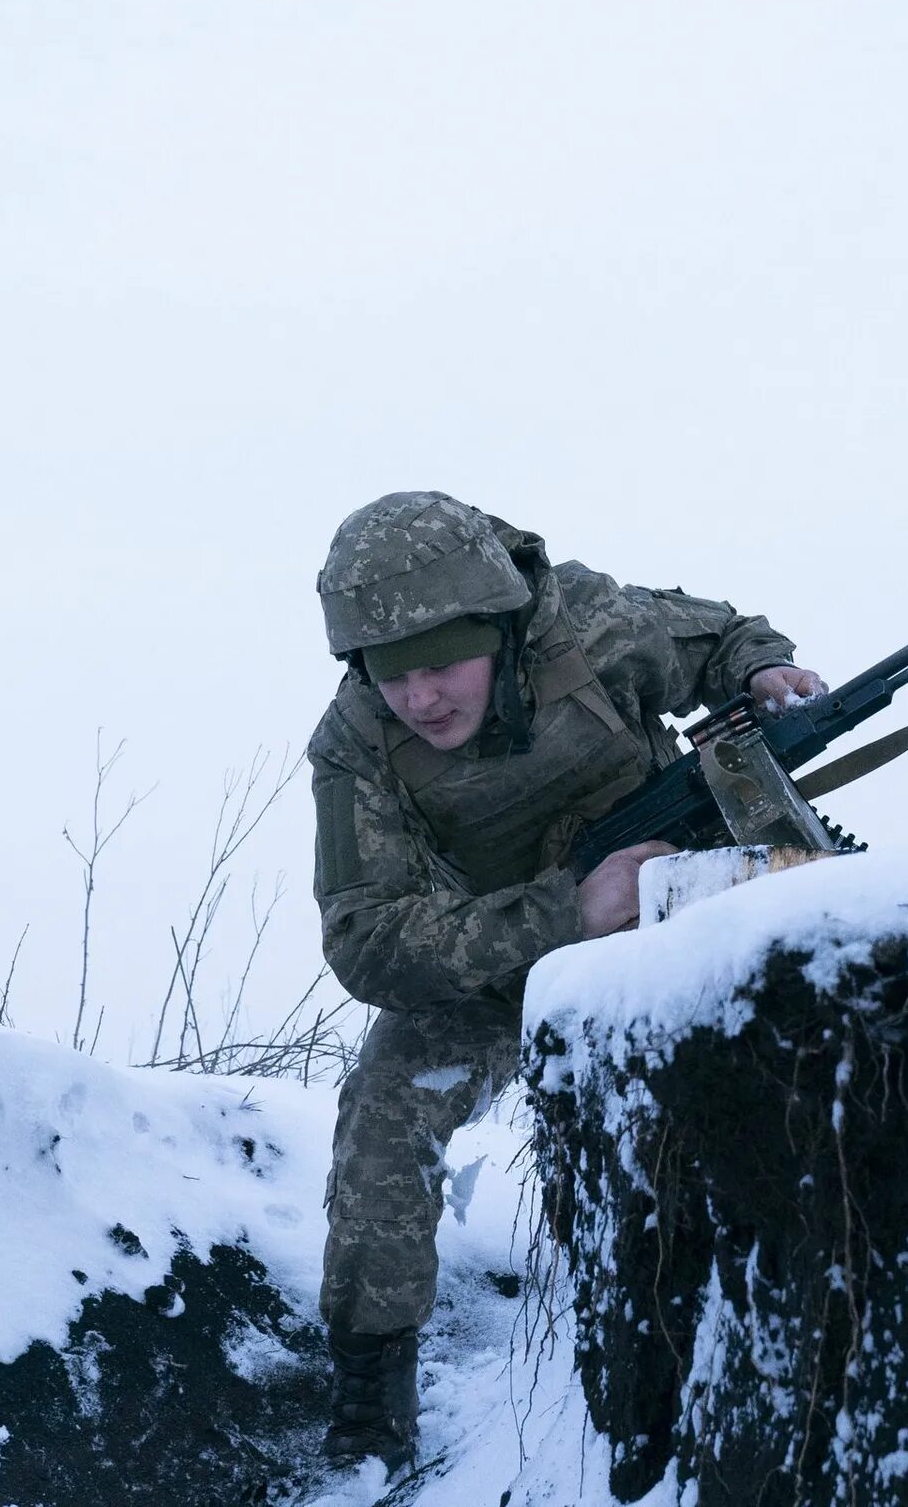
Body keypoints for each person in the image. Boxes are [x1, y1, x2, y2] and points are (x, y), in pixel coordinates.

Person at [305, 490, 823, 1468]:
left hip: (675, 902)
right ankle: (371, 1393)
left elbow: (724, 639)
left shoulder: (587, 621)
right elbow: (366, 939)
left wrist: (766, 669)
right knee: (381, 1115)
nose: (420, 697)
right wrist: (563, 911)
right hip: (491, 963)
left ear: (499, 629)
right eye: (393, 674)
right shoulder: (355, 747)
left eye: (442, 661)